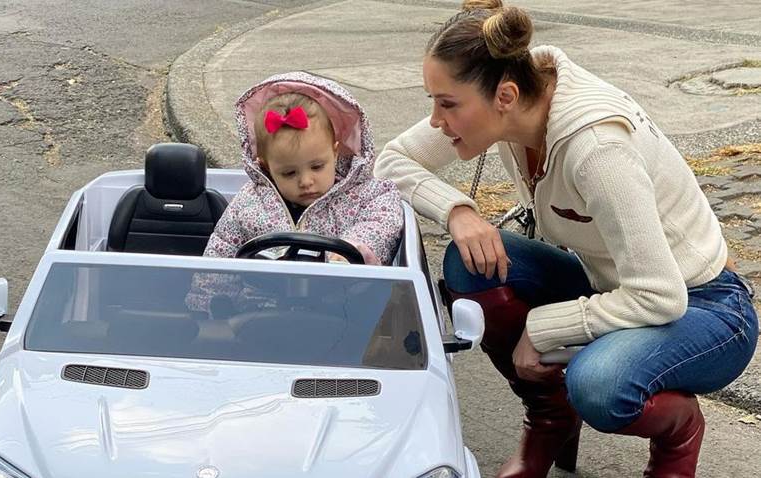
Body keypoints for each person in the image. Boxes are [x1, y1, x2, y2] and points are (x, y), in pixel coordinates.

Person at [374, 1, 758, 477]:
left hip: (705, 309)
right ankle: (551, 417)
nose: (436, 120)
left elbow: (660, 295)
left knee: (598, 383)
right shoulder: (521, 100)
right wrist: (458, 211)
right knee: (467, 261)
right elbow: (391, 161)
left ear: (505, 97)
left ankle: (679, 432)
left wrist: (544, 327)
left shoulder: (597, 148)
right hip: (615, 288)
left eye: (447, 104)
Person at [185, 72, 403, 311]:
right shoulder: (249, 204)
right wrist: (209, 313)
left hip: (342, 313)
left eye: (317, 166)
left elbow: (381, 223)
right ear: (267, 167)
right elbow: (220, 257)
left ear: (335, 151)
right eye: (289, 173)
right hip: (260, 315)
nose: (306, 181)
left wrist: (353, 248)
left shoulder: (366, 194)